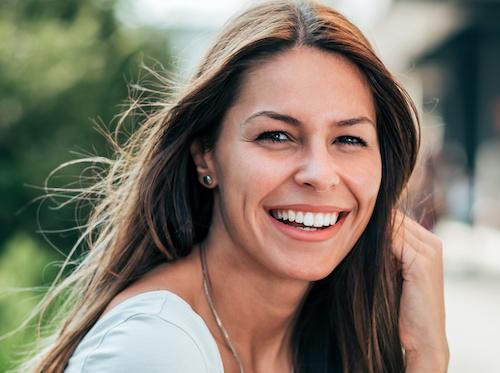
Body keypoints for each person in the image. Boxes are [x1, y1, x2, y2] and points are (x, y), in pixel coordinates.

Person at [19, 0, 448, 372]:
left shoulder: (328, 333)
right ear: (206, 156)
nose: (319, 173)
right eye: (276, 135)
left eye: (349, 140)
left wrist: (424, 353)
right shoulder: (156, 348)